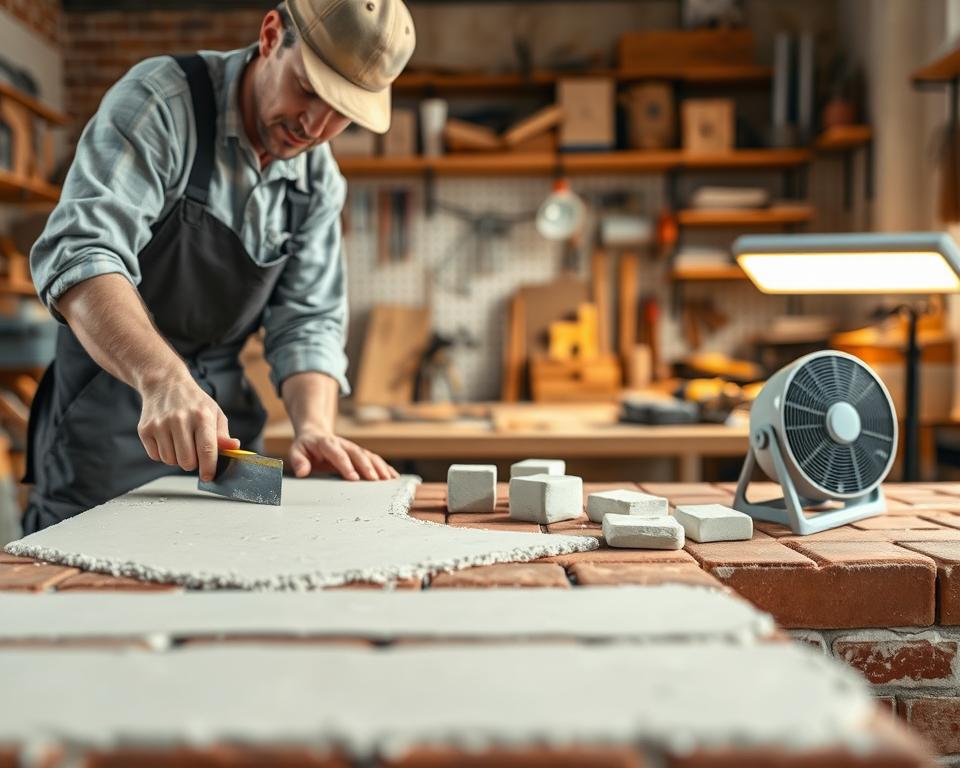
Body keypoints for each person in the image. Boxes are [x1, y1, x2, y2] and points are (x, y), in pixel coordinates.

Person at [22, 0, 416, 533]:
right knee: (95, 594)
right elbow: (82, 252)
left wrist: (314, 425)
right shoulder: (161, 102)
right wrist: (162, 380)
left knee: (232, 581)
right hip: (112, 417)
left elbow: (308, 322)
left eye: (342, 111)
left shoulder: (318, 179)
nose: (315, 125)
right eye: (309, 89)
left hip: (227, 441)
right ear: (273, 36)